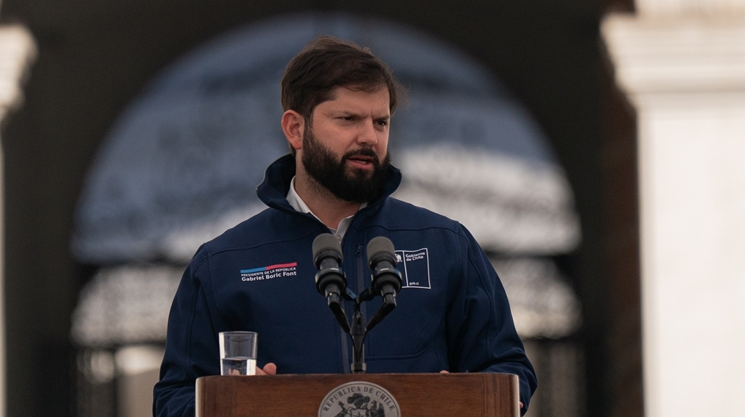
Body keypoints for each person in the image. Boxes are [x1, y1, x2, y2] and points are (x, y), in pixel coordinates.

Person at [152, 36, 536, 417]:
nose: (369, 136)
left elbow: (506, 368)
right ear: (295, 129)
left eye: (381, 122)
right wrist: (238, 402)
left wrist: (462, 397)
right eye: (348, 119)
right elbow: (174, 400)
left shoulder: (444, 244)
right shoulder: (223, 264)